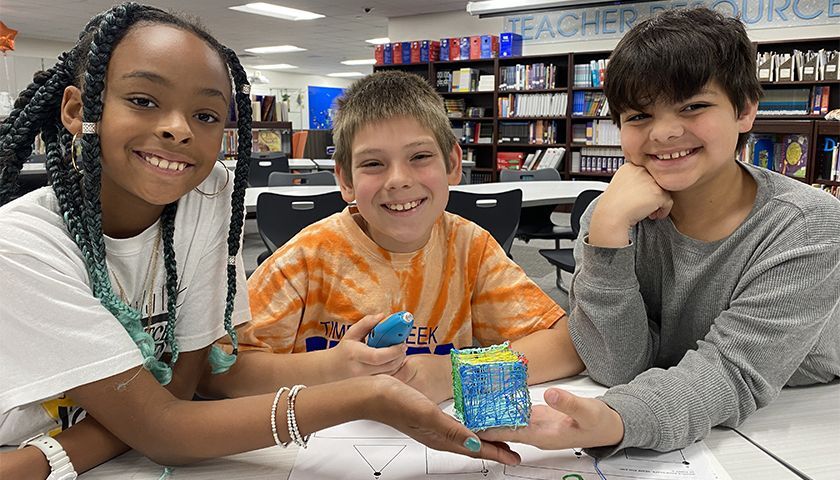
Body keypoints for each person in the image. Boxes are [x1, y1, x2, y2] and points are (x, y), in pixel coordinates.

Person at [0, 4, 521, 479]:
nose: (178, 129)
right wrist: (361, 397)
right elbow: (166, 426)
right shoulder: (24, 244)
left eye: (206, 115)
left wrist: (72, 451)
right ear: (75, 109)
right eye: (143, 100)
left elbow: (182, 388)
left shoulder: (206, 195)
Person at [479, 7, 840, 456]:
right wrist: (608, 230)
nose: (665, 133)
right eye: (638, 116)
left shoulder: (806, 224)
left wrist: (618, 420)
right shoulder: (611, 218)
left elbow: (734, 371)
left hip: (801, 410)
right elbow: (615, 365)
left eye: (694, 106)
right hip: (680, 402)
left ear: (745, 110)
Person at [204, 70, 584, 404]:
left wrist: (450, 374)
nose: (399, 179)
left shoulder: (471, 248)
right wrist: (332, 369)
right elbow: (220, 371)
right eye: (373, 163)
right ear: (346, 180)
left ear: (452, 164)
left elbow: (566, 346)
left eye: (419, 156)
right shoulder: (310, 256)